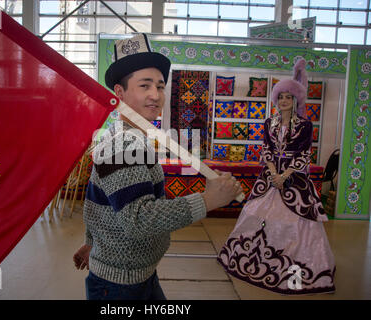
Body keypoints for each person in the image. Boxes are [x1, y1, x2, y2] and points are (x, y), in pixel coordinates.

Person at [73, 33, 243, 300]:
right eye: (144, 86)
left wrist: (92, 244)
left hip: (137, 276)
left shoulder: (132, 136)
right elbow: (139, 219)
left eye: (160, 86)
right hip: (120, 287)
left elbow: (99, 198)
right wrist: (208, 200)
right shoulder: (123, 145)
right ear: (120, 93)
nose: (156, 95)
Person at [217, 58, 336, 295]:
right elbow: (267, 149)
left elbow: (304, 154)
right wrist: (273, 173)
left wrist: (286, 175)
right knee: (254, 212)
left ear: (296, 100)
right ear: (276, 99)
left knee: (294, 222)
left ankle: (294, 267)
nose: (283, 101)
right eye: (280, 96)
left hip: (295, 180)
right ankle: (250, 260)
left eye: (288, 97)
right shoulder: (268, 122)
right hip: (270, 177)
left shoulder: (305, 125)